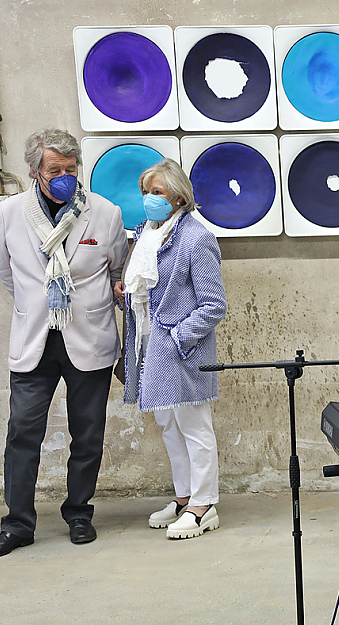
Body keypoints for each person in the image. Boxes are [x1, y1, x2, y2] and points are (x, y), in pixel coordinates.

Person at [0, 128, 127, 556]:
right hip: (34, 338)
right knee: (22, 433)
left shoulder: (104, 213)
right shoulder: (9, 213)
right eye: (55, 170)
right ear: (34, 171)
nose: (64, 177)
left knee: (87, 434)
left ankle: (78, 512)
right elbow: (6, 272)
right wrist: (40, 304)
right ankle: (18, 523)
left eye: (71, 169)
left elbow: (116, 271)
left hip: (88, 339)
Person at [116, 158, 226, 540]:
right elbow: (145, 288)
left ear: (178, 197)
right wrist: (126, 295)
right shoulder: (146, 233)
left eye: (157, 193)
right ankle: (183, 498)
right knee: (168, 426)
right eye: (146, 192)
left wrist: (179, 337)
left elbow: (214, 305)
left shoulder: (197, 237)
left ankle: (204, 504)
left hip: (182, 350)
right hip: (149, 345)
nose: (149, 199)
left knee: (194, 426)